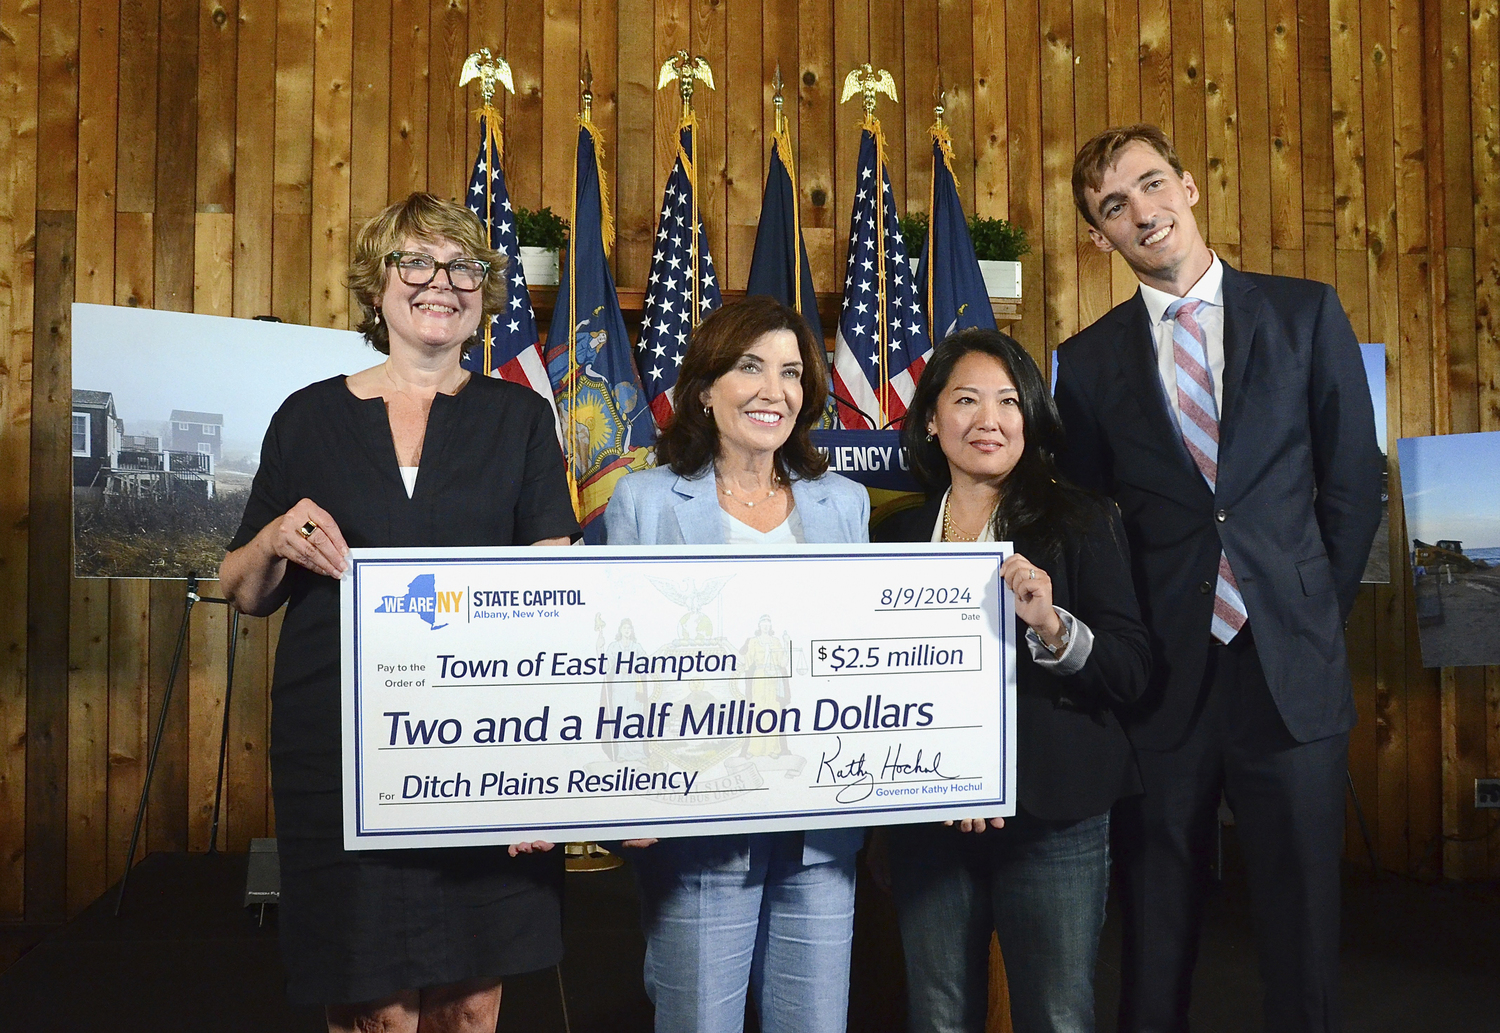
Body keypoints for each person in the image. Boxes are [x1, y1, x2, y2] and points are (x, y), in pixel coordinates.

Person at [218, 193, 579, 1033]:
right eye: (414, 262)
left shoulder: (520, 418)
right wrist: (276, 534)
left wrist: (544, 774)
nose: (439, 284)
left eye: (462, 268)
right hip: (341, 756)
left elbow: (553, 597)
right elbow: (244, 587)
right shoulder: (307, 416)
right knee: (370, 1004)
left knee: (470, 1003)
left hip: (484, 751)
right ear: (377, 286)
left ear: (483, 294)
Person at [1057, 125, 1383, 1032]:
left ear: (1190, 186)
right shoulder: (1085, 365)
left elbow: (1353, 484)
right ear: (1101, 239)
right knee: (1156, 927)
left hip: (1290, 673)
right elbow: (1089, 528)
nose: (1142, 211)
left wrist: (1312, 614)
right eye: (1113, 206)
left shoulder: (1307, 313)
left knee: (1302, 930)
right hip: (1164, 682)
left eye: (1151, 184)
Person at [603, 296, 870, 1033]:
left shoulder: (843, 504)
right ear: (703, 388)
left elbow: (860, 655)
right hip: (695, 827)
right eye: (749, 366)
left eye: (791, 372)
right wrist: (624, 790)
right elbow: (618, 662)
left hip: (820, 828)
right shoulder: (645, 501)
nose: (772, 390)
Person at [873, 329, 1150, 1033]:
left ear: (1029, 417)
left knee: (1057, 1015)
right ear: (932, 419)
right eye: (965, 399)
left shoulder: (1083, 521)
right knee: (936, 1014)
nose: (988, 419)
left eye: (1007, 400)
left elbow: (1130, 668)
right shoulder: (890, 537)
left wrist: (1054, 626)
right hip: (925, 820)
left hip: (1054, 817)